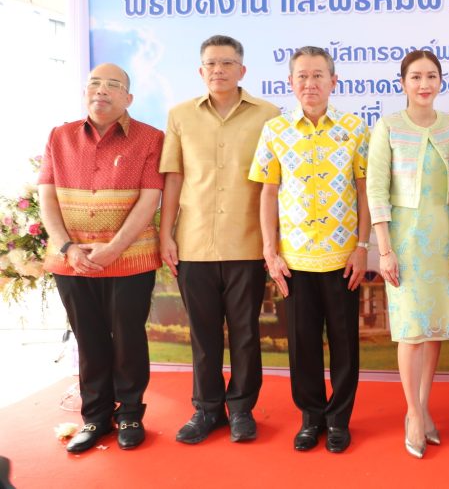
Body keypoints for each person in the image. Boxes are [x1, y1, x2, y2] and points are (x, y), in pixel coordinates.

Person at [249, 46, 371, 453]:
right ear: (290, 82)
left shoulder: (355, 129)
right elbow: (268, 193)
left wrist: (362, 247)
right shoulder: (275, 131)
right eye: (302, 76)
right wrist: (270, 251)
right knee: (302, 346)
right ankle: (311, 418)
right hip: (295, 260)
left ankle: (339, 420)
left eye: (318, 75)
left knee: (344, 344)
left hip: (342, 259)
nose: (310, 83)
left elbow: (365, 191)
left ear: (334, 81)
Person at [159, 35, 280, 445]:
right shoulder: (180, 115)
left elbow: (275, 185)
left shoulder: (268, 115)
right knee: (203, 335)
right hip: (193, 244)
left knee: (245, 333)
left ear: (242, 70)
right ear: (200, 71)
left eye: (227, 63)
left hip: (248, 242)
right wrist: (166, 234)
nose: (218, 70)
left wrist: (273, 243)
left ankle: (242, 409)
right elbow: (173, 177)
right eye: (211, 63)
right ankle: (207, 409)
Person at [38, 63, 164, 453]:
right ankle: (95, 417)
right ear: (84, 92)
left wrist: (114, 248)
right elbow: (47, 198)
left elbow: (150, 199)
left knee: (128, 338)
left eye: (112, 85)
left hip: (130, 259)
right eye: (94, 83)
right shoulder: (59, 137)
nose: (101, 90)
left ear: (129, 97)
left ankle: (130, 414)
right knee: (88, 338)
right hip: (72, 261)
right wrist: (67, 248)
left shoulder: (150, 138)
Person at [367, 50, 449, 459]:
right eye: (416, 77)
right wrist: (385, 250)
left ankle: (424, 408)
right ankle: (412, 414)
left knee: (433, 328)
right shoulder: (388, 126)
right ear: (403, 82)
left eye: (431, 76)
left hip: (443, 241)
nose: (424, 84)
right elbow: (376, 189)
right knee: (410, 330)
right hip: (404, 241)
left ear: (441, 81)